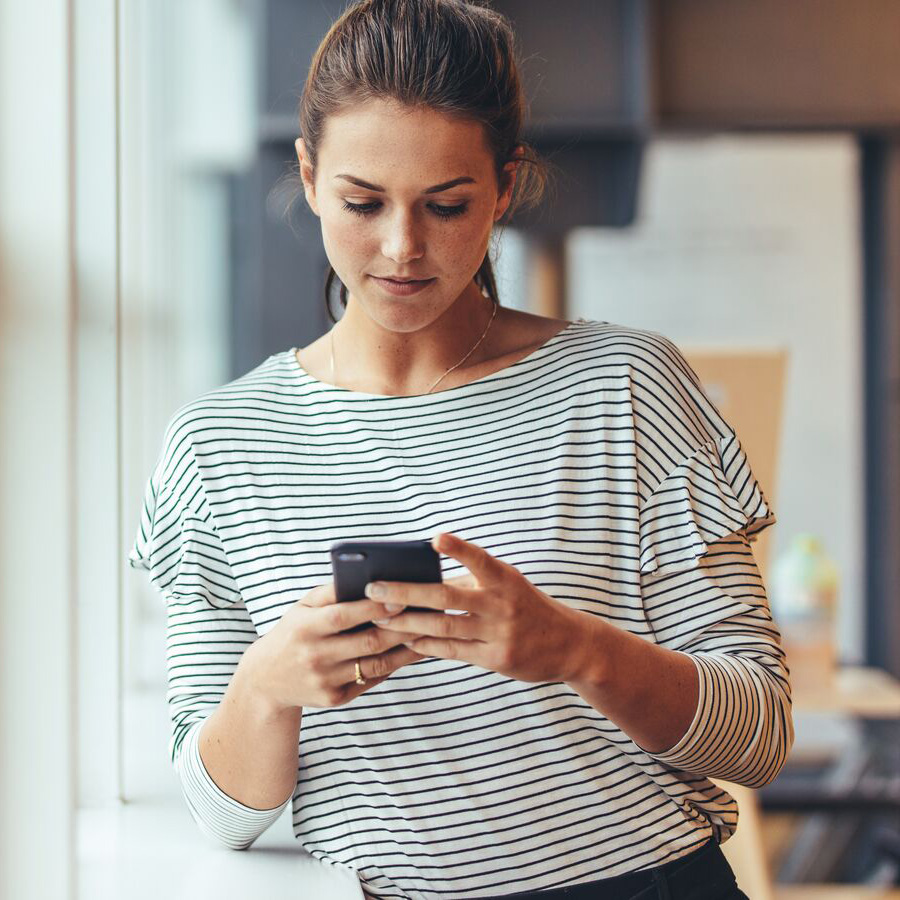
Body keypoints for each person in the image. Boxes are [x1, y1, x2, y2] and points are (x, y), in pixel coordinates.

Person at [128, 1, 793, 897]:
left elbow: (761, 735)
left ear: (505, 185)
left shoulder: (627, 385)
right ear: (309, 174)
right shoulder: (218, 446)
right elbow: (224, 816)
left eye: (447, 205)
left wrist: (576, 650)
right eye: (363, 202)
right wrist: (268, 684)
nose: (403, 249)